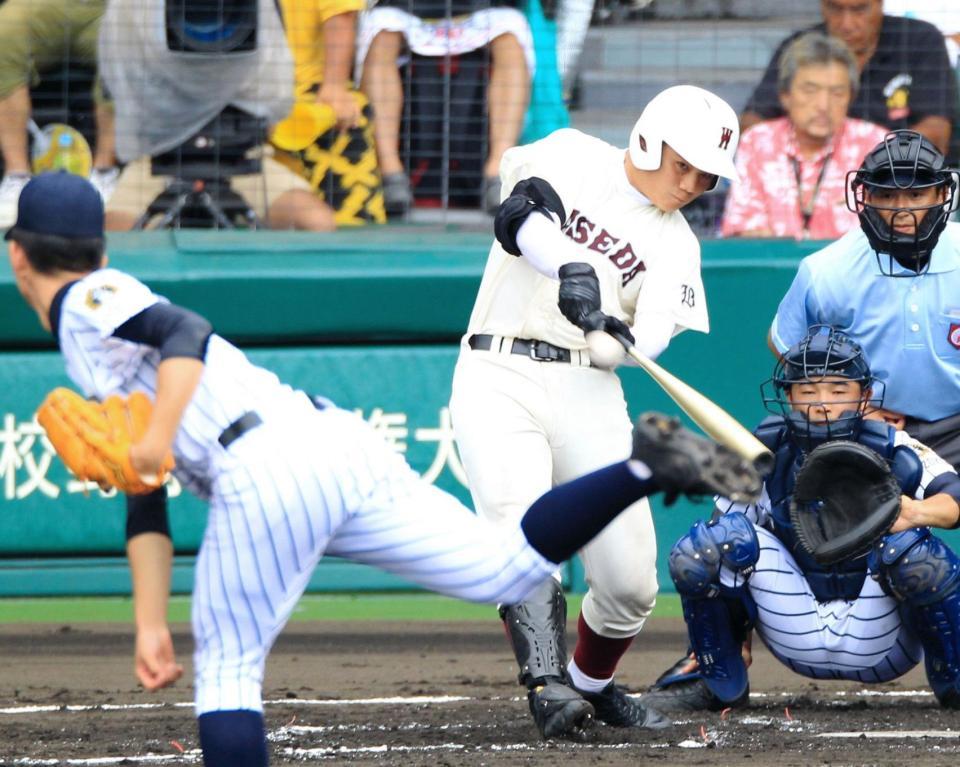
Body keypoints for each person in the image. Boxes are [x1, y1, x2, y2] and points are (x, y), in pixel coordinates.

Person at [5, 171, 760, 765]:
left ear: (17, 253)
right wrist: (147, 622)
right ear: (99, 242)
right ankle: (644, 468)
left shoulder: (84, 301)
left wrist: (157, 432)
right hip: (333, 445)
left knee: (230, 670)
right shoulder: (102, 337)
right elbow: (145, 493)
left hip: (263, 467)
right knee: (502, 572)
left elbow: (185, 328)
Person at [448, 84, 740, 739]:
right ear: (647, 138)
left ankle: (589, 684)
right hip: (499, 369)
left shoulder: (677, 244)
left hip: (588, 389)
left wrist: (623, 342)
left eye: (706, 173)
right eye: (682, 163)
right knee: (519, 528)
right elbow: (520, 216)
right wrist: (573, 267)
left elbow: (653, 331)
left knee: (631, 581)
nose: (692, 182)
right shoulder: (573, 154)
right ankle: (547, 685)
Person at [640, 326, 960, 713]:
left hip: (880, 636)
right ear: (788, 397)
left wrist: (915, 512)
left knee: (914, 553)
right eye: (808, 391)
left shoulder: (895, 447)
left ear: (864, 395)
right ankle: (711, 678)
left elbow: (955, 497)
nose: (822, 404)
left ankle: (954, 680)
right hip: (795, 621)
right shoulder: (763, 451)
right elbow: (715, 553)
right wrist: (735, 632)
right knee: (709, 546)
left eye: (838, 390)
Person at [769, 129, 960, 468]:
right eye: (886, 196)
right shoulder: (828, 269)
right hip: (867, 428)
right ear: (866, 196)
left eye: (916, 194)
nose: (902, 210)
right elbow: (786, 345)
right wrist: (859, 408)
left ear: (943, 192)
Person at [98, 0, 334, 231]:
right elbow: (118, 87)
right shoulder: (136, 7)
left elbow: (273, 112)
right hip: (156, 161)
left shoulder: (260, 10)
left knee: (318, 223)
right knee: (117, 237)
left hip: (243, 161)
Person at [356, 0, 533, 216]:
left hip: (481, 9)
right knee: (383, 33)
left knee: (509, 36)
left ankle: (497, 174)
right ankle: (390, 173)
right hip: (406, 9)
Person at [721, 32, 888, 240]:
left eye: (837, 93)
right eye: (810, 91)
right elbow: (744, 234)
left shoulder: (877, 145)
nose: (823, 106)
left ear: (851, 98)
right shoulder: (758, 142)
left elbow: (890, 232)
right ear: (785, 95)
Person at [741, 0, 957, 156]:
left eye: (860, 9)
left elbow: (935, 133)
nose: (847, 23)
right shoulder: (800, 48)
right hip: (803, 177)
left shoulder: (919, 41)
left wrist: (863, 160)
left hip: (896, 182)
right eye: (835, 8)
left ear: (881, 4)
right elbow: (752, 124)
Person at [0, 0, 118, 227]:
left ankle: (105, 173)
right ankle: (17, 177)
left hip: (112, 8)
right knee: (5, 30)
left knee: (128, 42)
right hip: (42, 5)